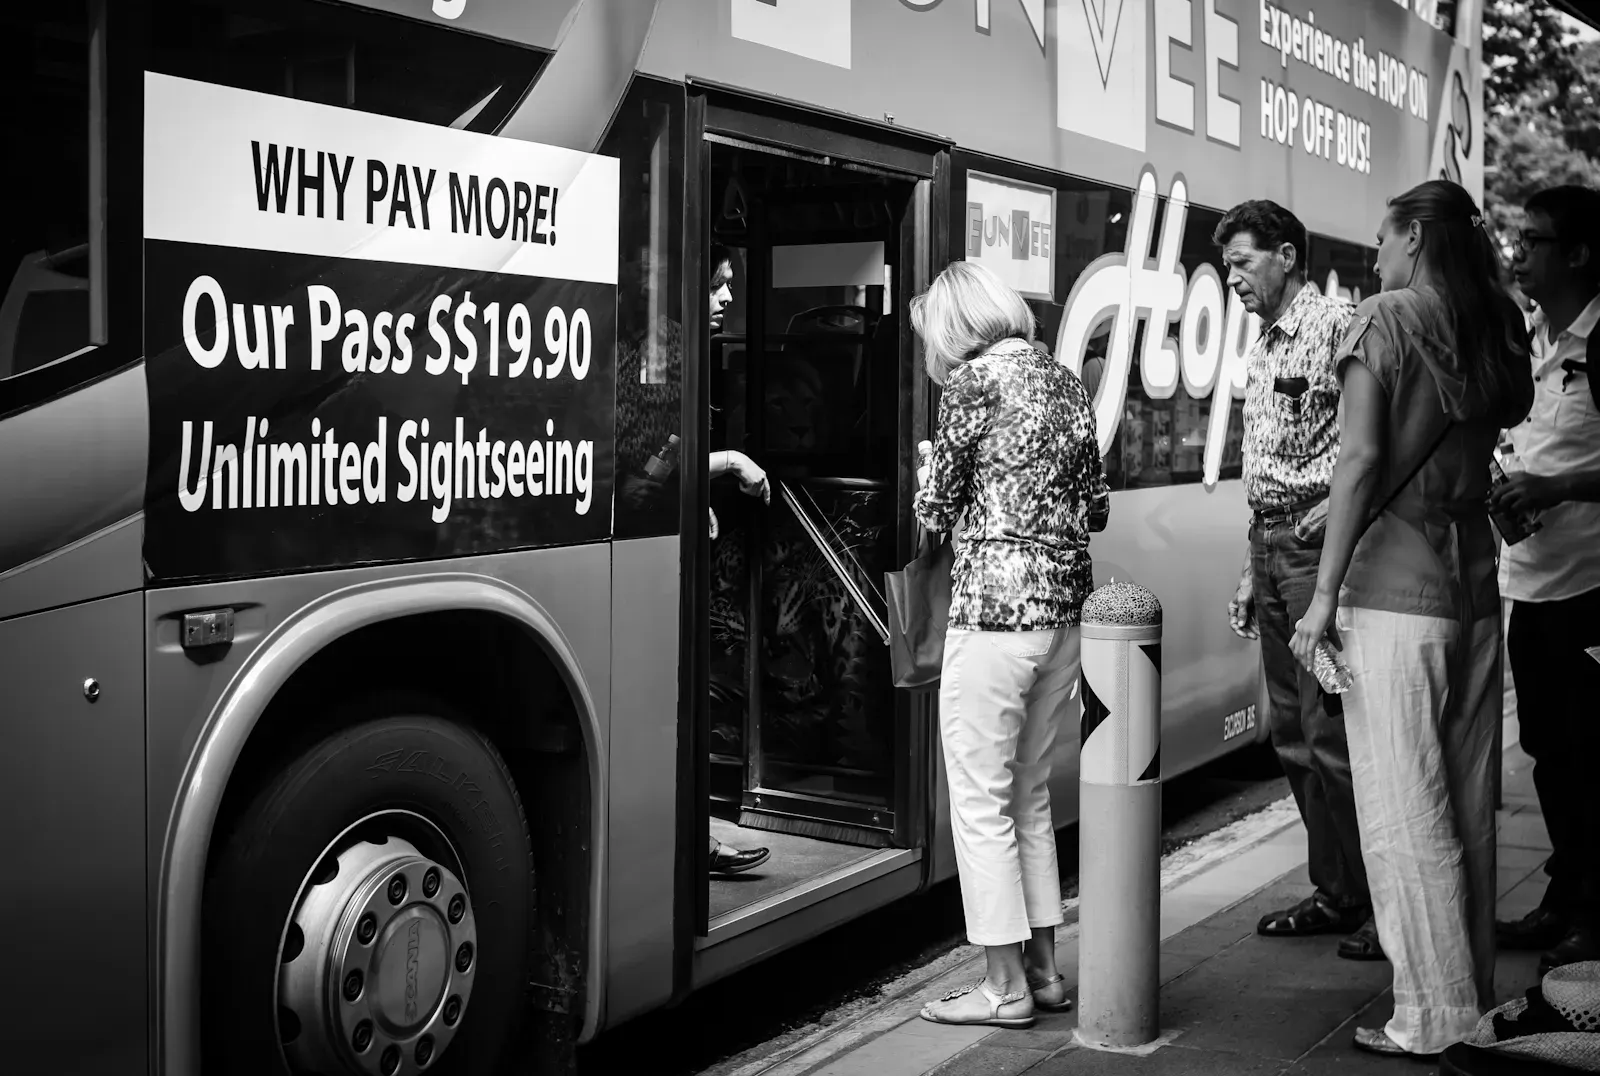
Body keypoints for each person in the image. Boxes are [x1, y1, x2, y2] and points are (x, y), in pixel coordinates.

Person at [1290, 178, 1534, 1059]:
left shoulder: (1384, 320)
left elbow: (1358, 459)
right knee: (1468, 804)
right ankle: (1469, 998)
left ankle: (1428, 1018)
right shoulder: (1496, 324)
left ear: (1416, 239)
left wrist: (1319, 601)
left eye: (1384, 241)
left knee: (1402, 809)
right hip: (1473, 586)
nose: (1378, 258)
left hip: (1393, 594)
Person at [911, 262, 1109, 1029]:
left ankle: (1002, 988)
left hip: (994, 615)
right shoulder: (1062, 381)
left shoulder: (970, 386)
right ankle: (1047, 973)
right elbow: (1093, 507)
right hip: (1063, 617)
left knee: (980, 798)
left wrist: (931, 467)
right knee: (1028, 793)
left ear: (954, 329)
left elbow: (934, 511)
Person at [1214, 200, 1377, 959]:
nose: (1232, 279)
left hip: (1318, 557)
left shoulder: (1336, 328)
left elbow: (1369, 447)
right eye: (1226, 268)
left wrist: (1327, 526)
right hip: (1271, 548)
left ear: (1285, 255)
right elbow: (1268, 466)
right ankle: (1337, 890)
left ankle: (1379, 902)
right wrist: (1253, 565)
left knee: (1331, 730)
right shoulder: (1264, 343)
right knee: (1289, 732)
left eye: (1242, 263)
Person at [1492, 184, 1600, 974]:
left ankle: (1594, 919)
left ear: (1578, 254)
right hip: (1528, 581)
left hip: (1590, 590)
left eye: (1532, 241)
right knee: (1548, 752)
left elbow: (1568, 471)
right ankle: (1566, 899)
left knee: (1592, 756)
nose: (1517, 252)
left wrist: (1559, 488)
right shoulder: (1528, 336)